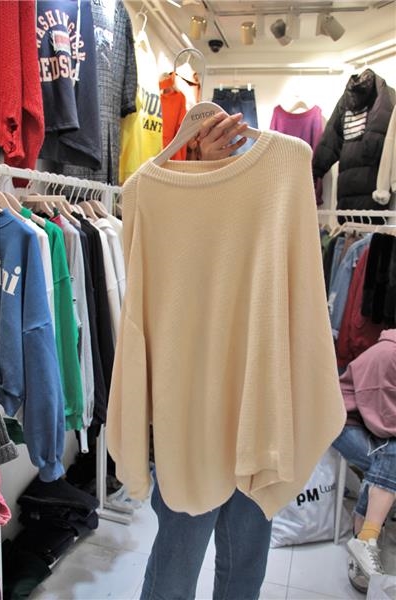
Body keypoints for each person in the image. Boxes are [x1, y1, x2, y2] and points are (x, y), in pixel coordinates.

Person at [140, 111, 273, 600]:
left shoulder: (276, 186)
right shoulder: (160, 195)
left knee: (244, 562)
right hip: (191, 411)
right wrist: (202, 179)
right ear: (192, 147)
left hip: (258, 403)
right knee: (179, 556)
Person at [332, 329, 396, 594]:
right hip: (343, 422)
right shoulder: (387, 355)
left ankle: (363, 541)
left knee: (385, 465)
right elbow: (383, 422)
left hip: (376, 425)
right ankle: (367, 537)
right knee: (391, 459)